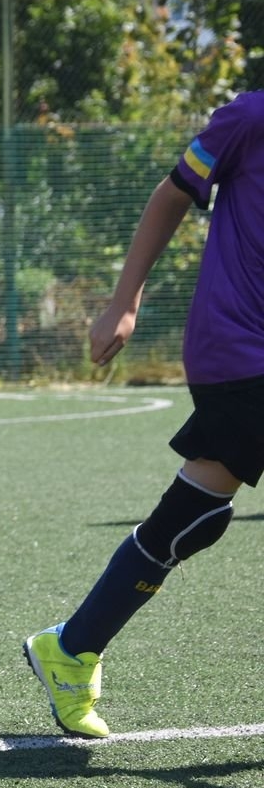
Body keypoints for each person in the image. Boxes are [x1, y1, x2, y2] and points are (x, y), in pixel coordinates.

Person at [23, 92, 264, 738]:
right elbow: (171, 195)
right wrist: (123, 302)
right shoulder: (251, 119)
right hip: (238, 346)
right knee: (196, 512)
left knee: (195, 514)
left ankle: (71, 647)